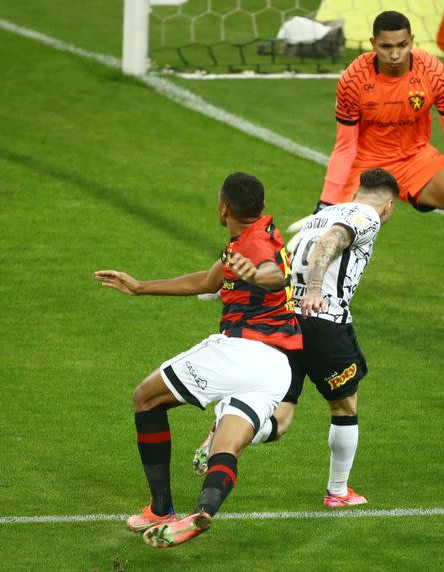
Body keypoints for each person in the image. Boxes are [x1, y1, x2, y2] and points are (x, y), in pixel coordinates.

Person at [94, 172, 301, 548]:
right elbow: (207, 283)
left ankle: (161, 509)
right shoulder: (261, 236)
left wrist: (256, 275)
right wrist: (140, 287)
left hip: (240, 351)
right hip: (277, 368)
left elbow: (273, 274)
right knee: (227, 444)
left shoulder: (254, 252)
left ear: (223, 207)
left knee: (145, 398)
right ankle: (203, 510)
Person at [288, 10, 444, 324]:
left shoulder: (434, 72)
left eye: (402, 45)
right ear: (373, 44)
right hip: (369, 166)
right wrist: (324, 206)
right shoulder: (353, 79)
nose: (394, 54)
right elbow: (345, 146)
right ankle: (251, 283)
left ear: (412, 41)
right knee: (328, 233)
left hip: (416, 159)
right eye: (386, 47)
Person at [194, 167, 399, 508]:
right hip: (324, 321)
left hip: (286, 321)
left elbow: (282, 258)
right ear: (388, 206)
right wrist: (316, 289)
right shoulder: (367, 216)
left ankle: (224, 431)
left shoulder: (324, 212)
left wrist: (232, 284)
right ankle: (338, 492)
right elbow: (328, 244)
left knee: (281, 417)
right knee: (345, 407)